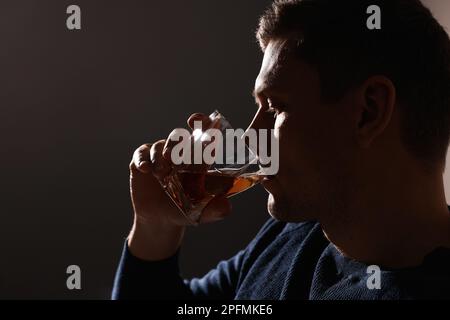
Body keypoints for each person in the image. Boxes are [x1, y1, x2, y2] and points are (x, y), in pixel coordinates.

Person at [112, 0, 450, 300]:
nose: (250, 137)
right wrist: (155, 225)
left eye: (274, 108)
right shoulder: (291, 239)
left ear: (368, 112)